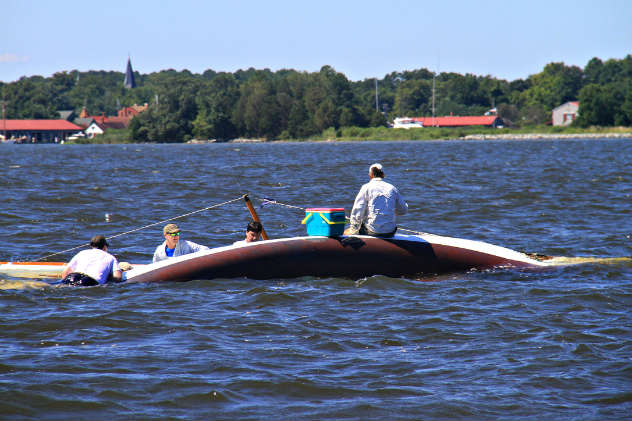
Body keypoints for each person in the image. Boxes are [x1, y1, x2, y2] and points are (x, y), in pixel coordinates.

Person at [343, 163, 408, 237]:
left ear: (370, 175)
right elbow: (403, 210)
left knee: (347, 231)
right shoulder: (392, 188)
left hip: (372, 231)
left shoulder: (366, 187)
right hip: (390, 232)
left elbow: (358, 210)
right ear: (383, 175)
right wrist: (388, 210)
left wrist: (353, 229)